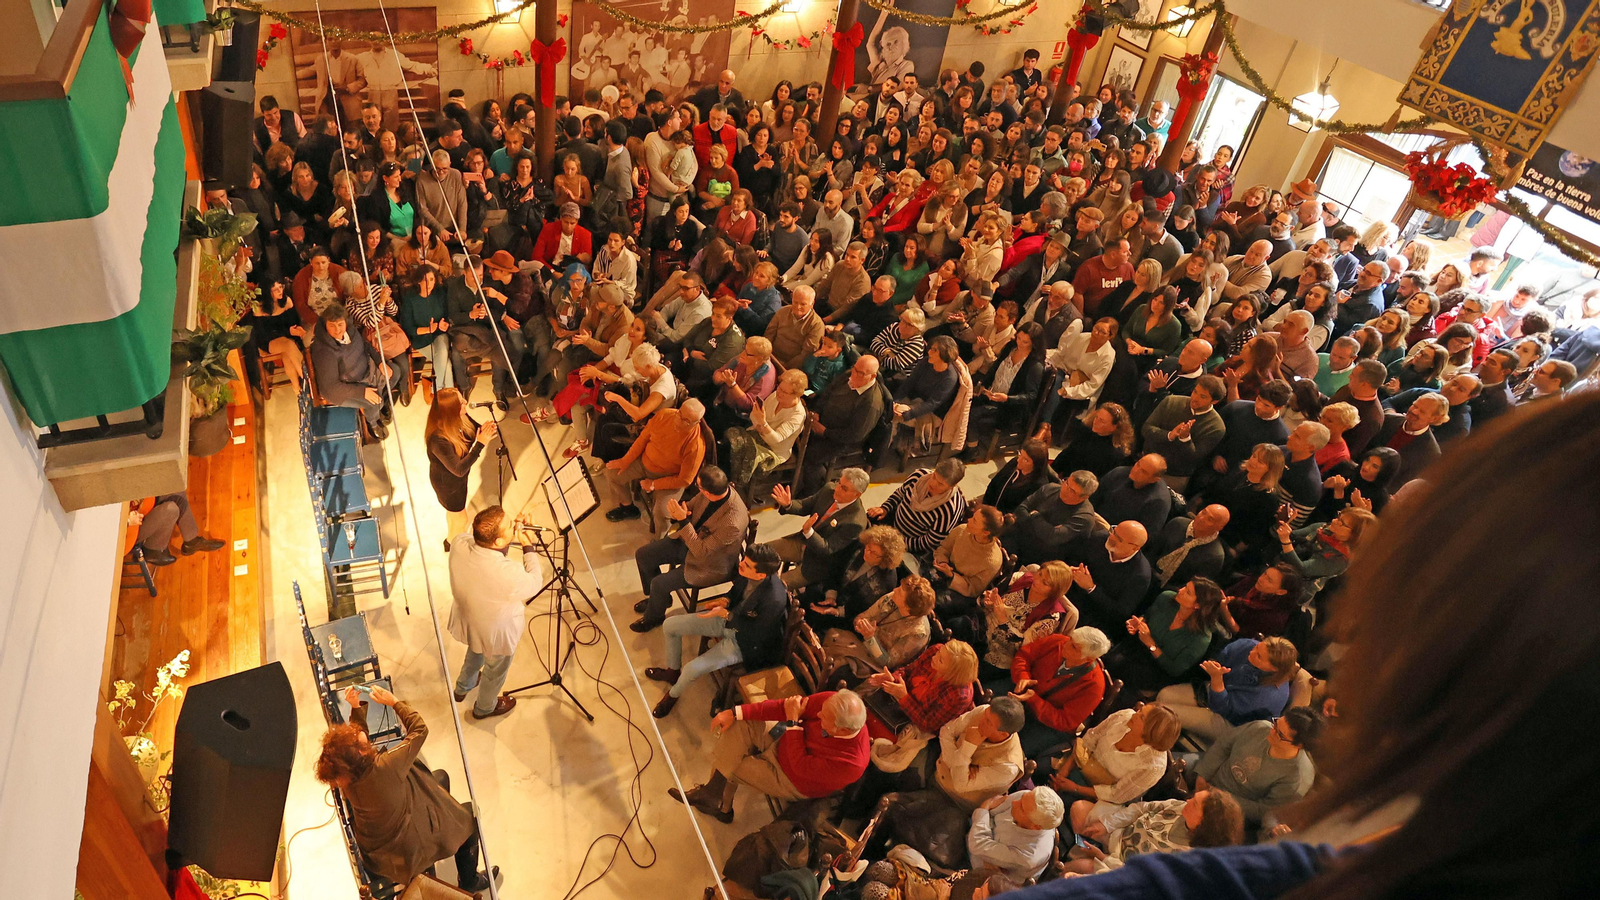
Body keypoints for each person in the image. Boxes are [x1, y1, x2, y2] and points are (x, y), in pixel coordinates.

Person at [316, 686, 494, 891]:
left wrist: (356, 707)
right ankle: (469, 881)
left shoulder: (349, 779)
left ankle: (443, 830)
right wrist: (394, 702)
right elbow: (420, 730)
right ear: (361, 753)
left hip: (380, 849)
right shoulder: (386, 766)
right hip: (409, 848)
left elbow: (356, 745)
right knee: (469, 815)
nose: (356, 733)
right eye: (355, 738)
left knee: (440, 777)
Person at [672, 690, 869, 823]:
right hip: (786, 739)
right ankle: (715, 798)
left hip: (792, 779)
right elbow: (784, 706)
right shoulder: (832, 702)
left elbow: (800, 765)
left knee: (733, 762)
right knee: (741, 724)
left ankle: (719, 803)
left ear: (842, 729)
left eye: (823, 718)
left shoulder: (852, 763)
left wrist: (793, 722)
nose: (817, 714)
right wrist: (735, 712)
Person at [647, 544, 788, 718]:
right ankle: (672, 672)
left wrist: (727, 614)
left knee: (692, 669)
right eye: (744, 560)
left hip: (746, 642)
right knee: (670, 625)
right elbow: (734, 592)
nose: (741, 564)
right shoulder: (746, 572)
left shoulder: (775, 599)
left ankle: (672, 695)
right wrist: (725, 601)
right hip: (729, 619)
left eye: (747, 564)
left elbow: (756, 632)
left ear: (761, 575)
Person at [446, 507, 542, 720]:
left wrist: (509, 531)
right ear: (498, 542)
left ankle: (463, 687)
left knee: (475, 651)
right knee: (495, 670)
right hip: (496, 631)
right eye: (510, 525)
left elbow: (486, 548)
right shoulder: (507, 573)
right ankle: (485, 707)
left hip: (470, 620)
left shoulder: (459, 543)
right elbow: (535, 582)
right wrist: (528, 544)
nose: (513, 526)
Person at [628, 465, 748, 632]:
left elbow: (701, 551)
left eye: (699, 487)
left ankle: (654, 618)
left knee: (660, 583)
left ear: (707, 492)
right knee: (644, 555)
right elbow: (692, 504)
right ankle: (658, 599)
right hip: (690, 540)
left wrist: (683, 521)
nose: (696, 489)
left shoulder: (733, 522)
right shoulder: (712, 493)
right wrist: (684, 510)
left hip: (709, 563)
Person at [1193, 707, 1320, 831]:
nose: (1272, 731)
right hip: (1210, 777)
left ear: (1298, 745)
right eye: (1276, 723)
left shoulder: (1297, 776)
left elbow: (1265, 811)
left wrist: (1219, 797)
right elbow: (1223, 745)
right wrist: (1202, 775)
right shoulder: (1260, 727)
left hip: (1231, 809)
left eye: (1279, 733)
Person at [1156, 636, 1299, 741]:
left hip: (1231, 722)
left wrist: (1217, 680)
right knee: (1164, 695)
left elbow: (1225, 709)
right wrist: (1214, 665)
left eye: (1259, 656)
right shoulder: (1249, 646)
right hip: (1215, 688)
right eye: (1257, 647)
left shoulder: (1270, 694)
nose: (1252, 652)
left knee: (1165, 712)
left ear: (1273, 668)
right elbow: (1221, 657)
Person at [1045, 703, 1182, 808]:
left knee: (1050, 802)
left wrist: (1074, 787)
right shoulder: (1124, 716)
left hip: (1097, 796)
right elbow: (1088, 740)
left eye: (1141, 717)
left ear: (1152, 732)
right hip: (1079, 762)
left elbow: (1116, 795)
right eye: (1140, 710)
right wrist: (1065, 769)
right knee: (1040, 766)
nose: (1134, 714)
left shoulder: (1153, 766)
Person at [1107, 577, 1229, 694]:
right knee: (1109, 659)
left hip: (1156, 670)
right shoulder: (1166, 597)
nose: (1180, 591)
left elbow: (1174, 669)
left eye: (1188, 592)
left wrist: (1151, 645)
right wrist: (1139, 622)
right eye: (1185, 587)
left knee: (1118, 669)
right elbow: (1148, 615)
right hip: (1137, 648)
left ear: (1198, 605)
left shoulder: (1201, 638)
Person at [603, 399, 707, 530]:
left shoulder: (696, 446)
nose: (679, 421)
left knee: (662, 512)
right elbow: (642, 440)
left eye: (686, 421)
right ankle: (628, 507)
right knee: (612, 474)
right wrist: (625, 460)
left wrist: (653, 485)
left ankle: (659, 541)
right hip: (644, 462)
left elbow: (684, 480)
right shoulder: (664, 415)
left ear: (696, 423)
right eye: (680, 414)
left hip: (669, 477)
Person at [1007, 626, 1112, 756]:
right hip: (1022, 694)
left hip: (1046, 723)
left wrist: (1033, 699)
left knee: (1014, 752)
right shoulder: (1058, 641)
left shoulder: (1094, 685)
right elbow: (1024, 656)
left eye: (1074, 647)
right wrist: (1022, 676)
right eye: (1070, 639)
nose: (1065, 645)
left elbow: (1065, 721)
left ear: (1088, 659)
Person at [309, 303, 400, 439]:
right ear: (325, 325)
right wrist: (362, 392)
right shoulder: (324, 350)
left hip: (366, 371)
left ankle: (380, 404)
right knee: (374, 401)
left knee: (395, 372)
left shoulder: (351, 331)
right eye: (332, 325)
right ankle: (372, 423)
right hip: (346, 387)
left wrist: (380, 362)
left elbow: (366, 346)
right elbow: (331, 387)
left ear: (345, 322)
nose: (337, 330)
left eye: (340, 324)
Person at [767, 469, 871, 589]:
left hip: (816, 563)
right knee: (759, 552)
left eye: (844, 489)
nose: (837, 489)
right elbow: (805, 506)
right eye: (839, 483)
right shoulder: (829, 490)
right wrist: (788, 504)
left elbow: (827, 548)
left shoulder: (855, 522)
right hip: (802, 543)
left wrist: (808, 531)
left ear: (857, 494)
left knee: (773, 587)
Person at [425, 388, 496, 550]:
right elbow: (459, 469)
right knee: (461, 518)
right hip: (448, 485)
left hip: (456, 480)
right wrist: (480, 444)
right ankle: (453, 543)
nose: (466, 403)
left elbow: (473, 431)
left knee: (454, 514)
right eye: (461, 403)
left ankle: (450, 539)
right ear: (451, 410)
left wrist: (485, 430)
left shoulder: (459, 418)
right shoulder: (438, 439)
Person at [935, 699, 1030, 810]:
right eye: (985, 715)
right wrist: (955, 762)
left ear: (1003, 734)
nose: (981, 720)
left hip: (956, 803)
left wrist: (968, 746)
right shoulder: (984, 711)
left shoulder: (1007, 767)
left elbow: (959, 785)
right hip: (937, 770)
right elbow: (946, 731)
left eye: (988, 722)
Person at [1064, 520, 1153, 637]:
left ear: (1134, 548)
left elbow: (1119, 613)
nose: (1112, 538)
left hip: (1094, 615)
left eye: (1120, 539)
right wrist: (1072, 569)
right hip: (1071, 592)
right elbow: (1074, 557)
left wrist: (1092, 588)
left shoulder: (1140, 575)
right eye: (1113, 531)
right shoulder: (1099, 538)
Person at [868, 457, 969, 557]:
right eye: (934, 476)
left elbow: (930, 541)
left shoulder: (949, 510)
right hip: (894, 525)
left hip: (912, 546)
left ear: (952, 486)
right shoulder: (918, 476)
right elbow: (900, 493)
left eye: (940, 484)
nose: (933, 483)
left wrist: (899, 543)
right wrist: (885, 508)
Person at [967, 786, 1066, 883]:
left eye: (1021, 808)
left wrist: (983, 810)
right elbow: (991, 811)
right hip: (976, 839)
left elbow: (976, 843)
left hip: (987, 876)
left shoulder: (1028, 856)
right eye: (1022, 798)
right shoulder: (1028, 798)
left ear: (1035, 826)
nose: (1014, 802)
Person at [1004, 470, 1098, 566]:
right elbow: (1021, 509)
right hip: (1019, 536)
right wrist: (1044, 526)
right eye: (1066, 482)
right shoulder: (1051, 488)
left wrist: (1034, 515)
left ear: (1084, 497)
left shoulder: (1084, 517)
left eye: (1072, 491)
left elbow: (1051, 538)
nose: (1064, 489)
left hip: (1042, 558)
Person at [127, 493, 225, 566]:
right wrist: (128, 521)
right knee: (171, 510)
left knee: (175, 487)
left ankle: (191, 541)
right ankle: (153, 549)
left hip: (137, 508)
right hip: (127, 532)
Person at [1090, 455, 1173, 538]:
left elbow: (1145, 536)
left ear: (1154, 479)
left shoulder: (1159, 501)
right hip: (1093, 521)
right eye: (1138, 464)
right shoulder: (1119, 472)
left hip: (1119, 538)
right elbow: (1093, 498)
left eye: (1143, 471)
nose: (1136, 470)